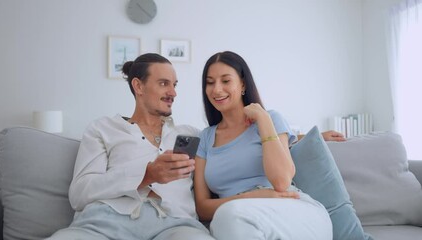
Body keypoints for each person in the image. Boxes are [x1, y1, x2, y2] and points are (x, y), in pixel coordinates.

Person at [46, 53, 214, 240]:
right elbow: (79, 194)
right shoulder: (103, 129)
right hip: (106, 223)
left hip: (175, 225)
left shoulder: (192, 135)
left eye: (174, 85)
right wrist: (146, 175)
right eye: (164, 83)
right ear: (138, 86)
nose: (173, 93)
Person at [194, 51, 334, 240]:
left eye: (225, 81)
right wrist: (249, 198)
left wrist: (263, 118)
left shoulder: (270, 119)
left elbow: (282, 182)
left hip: (292, 211)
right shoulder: (206, 137)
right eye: (210, 82)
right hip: (237, 216)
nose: (216, 89)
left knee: (228, 218)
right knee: (226, 219)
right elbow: (202, 208)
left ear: (242, 83)